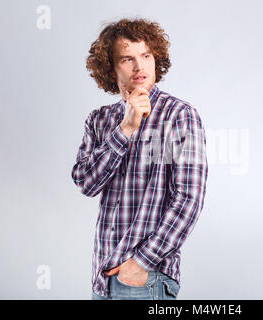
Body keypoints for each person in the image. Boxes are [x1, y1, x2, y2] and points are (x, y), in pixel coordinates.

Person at [71, 17, 208, 300]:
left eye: (146, 56)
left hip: (145, 281)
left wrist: (141, 263)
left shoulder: (178, 116)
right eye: (127, 59)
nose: (140, 66)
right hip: (102, 278)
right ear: (111, 68)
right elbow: (85, 183)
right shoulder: (99, 120)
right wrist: (126, 129)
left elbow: (187, 200)